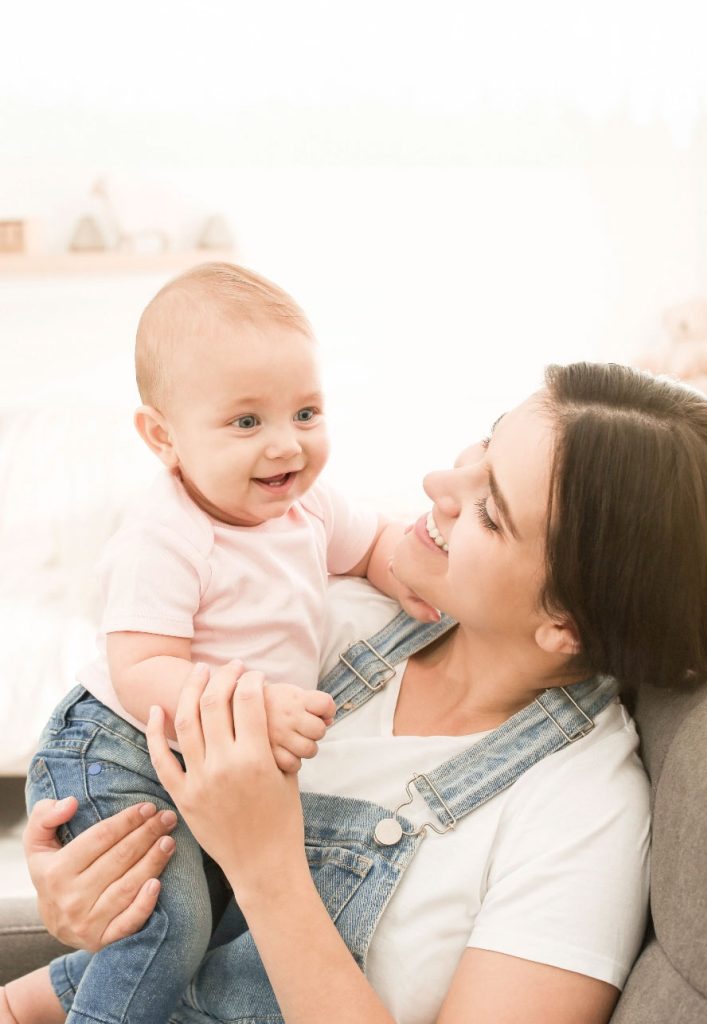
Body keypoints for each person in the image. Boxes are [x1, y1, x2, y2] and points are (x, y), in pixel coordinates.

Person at [4, 363, 707, 1024]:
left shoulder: (581, 812)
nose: (435, 484)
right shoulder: (325, 617)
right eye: (483, 445)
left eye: (488, 510)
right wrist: (83, 894)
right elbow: (121, 747)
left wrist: (268, 868)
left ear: (565, 621)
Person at [7, 263, 426, 1024]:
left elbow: (376, 545)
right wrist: (254, 709)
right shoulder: (167, 535)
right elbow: (142, 672)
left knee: (215, 932)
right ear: (162, 437)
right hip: (119, 746)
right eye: (246, 422)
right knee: (163, 924)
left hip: (202, 760)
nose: (285, 446)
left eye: (306, 412)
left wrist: (410, 572)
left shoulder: (311, 509)